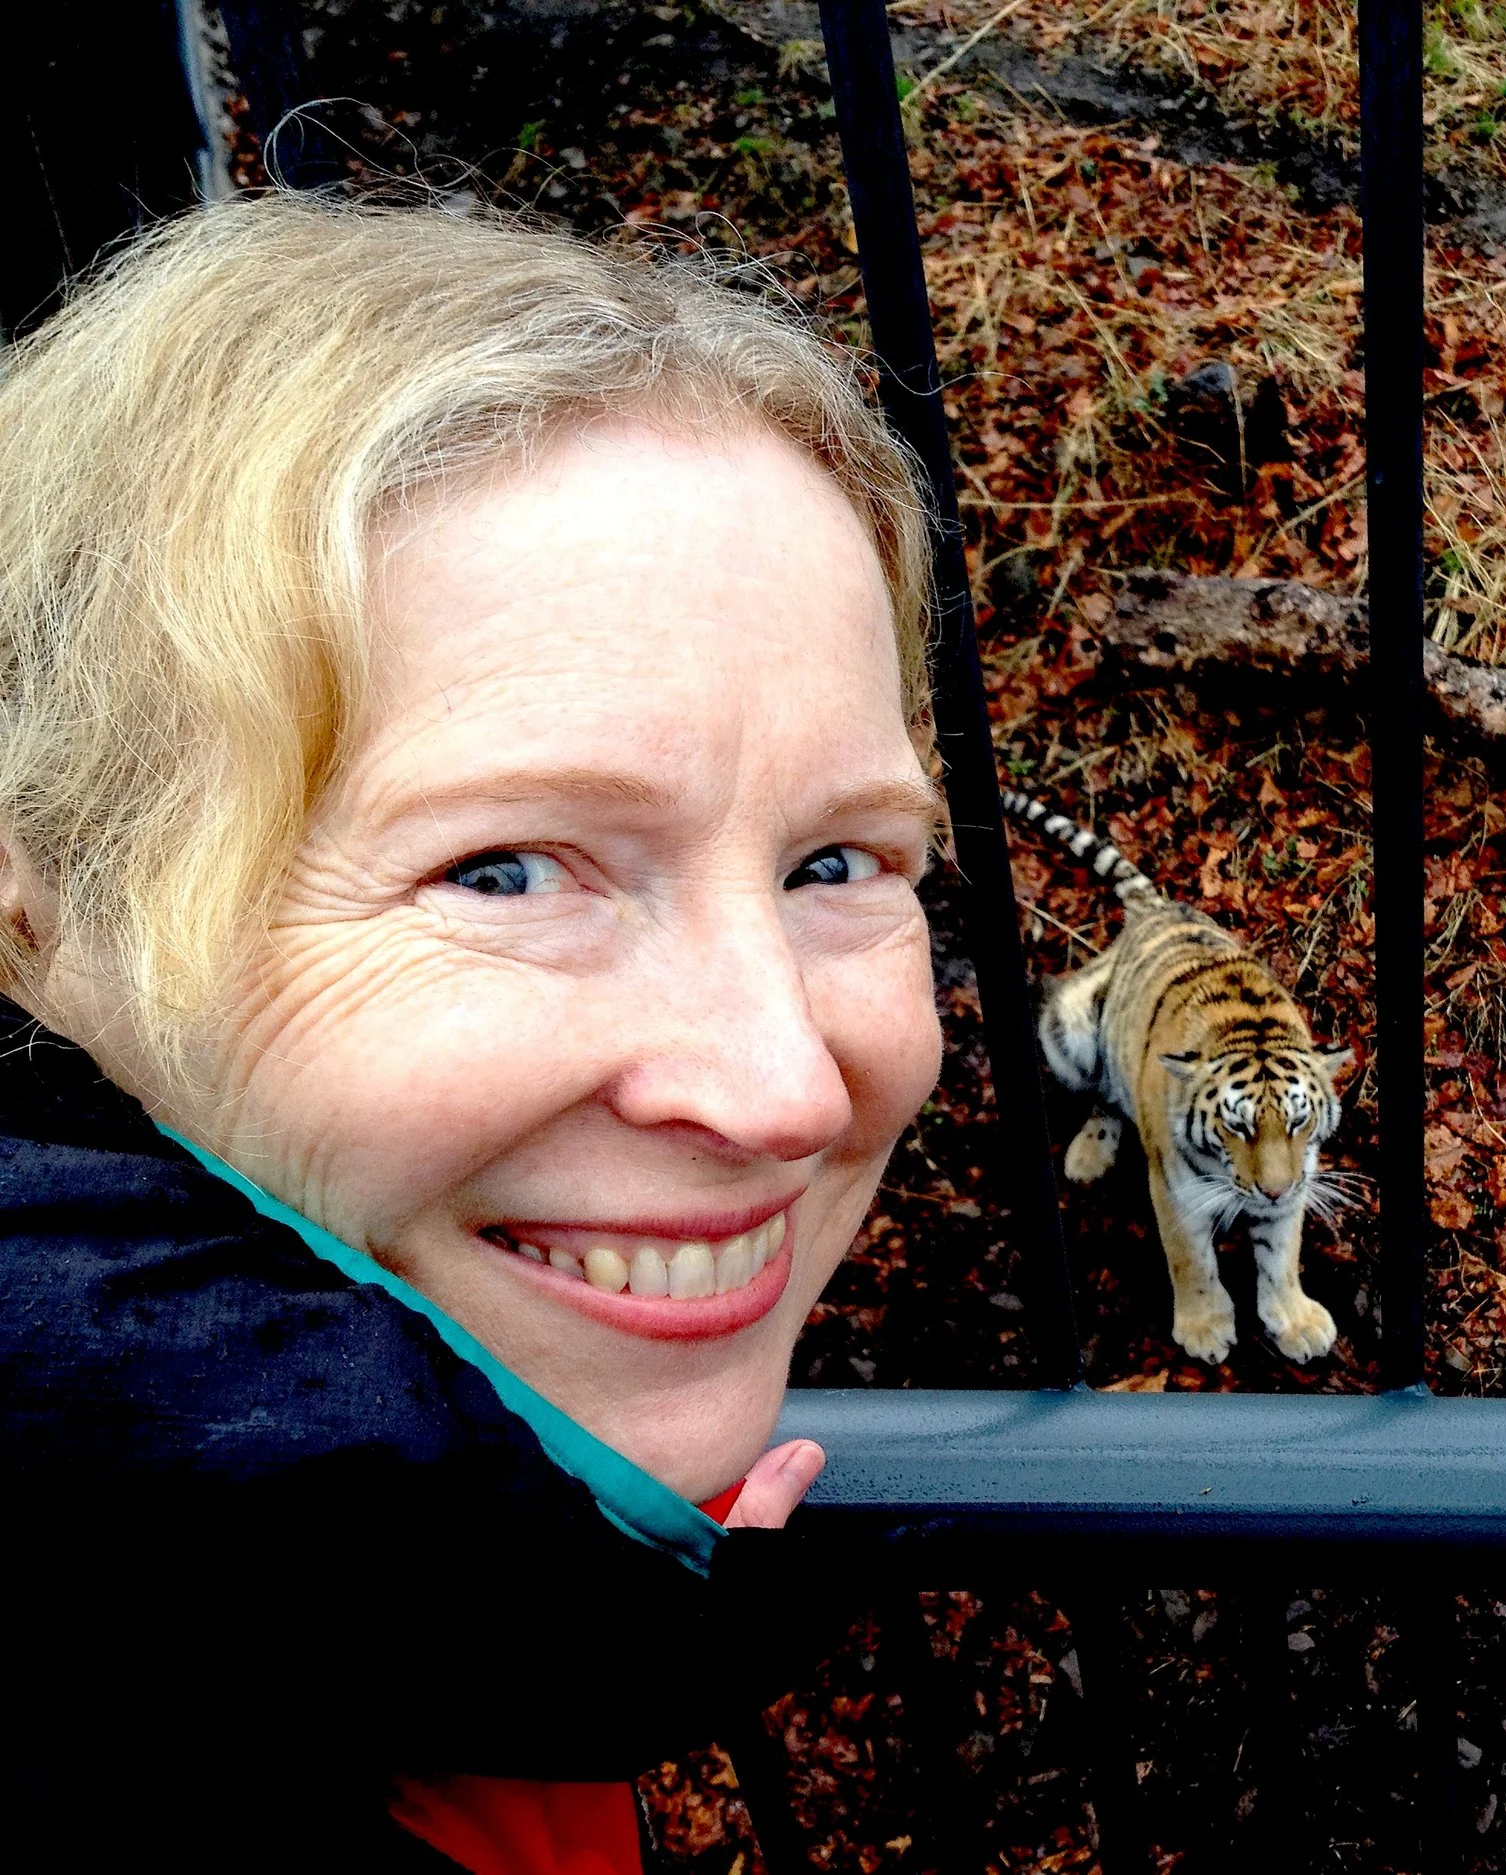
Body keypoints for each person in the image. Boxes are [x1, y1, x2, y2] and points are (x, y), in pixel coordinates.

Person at [0, 194, 946, 1871]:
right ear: (33, 917)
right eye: (505, 870)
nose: (785, 1083)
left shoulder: (361, 1613)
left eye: (835, 861)